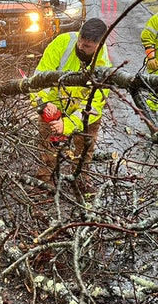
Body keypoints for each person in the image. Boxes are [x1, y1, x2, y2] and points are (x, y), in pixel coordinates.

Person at [32, 18, 111, 188]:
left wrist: (66, 125)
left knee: (84, 150)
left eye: (87, 46)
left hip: (82, 113)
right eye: (80, 42)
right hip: (54, 104)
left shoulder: (104, 66)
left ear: (99, 44)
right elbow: (39, 78)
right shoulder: (62, 44)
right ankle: (46, 182)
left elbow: (93, 108)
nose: (81, 47)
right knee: (48, 149)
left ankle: (81, 181)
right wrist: (43, 104)